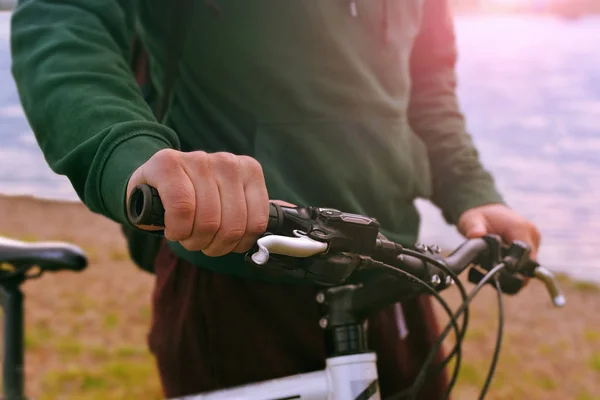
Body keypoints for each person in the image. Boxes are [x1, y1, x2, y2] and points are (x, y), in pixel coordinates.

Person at [10, 0, 541, 398]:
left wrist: (473, 192)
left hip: (395, 272)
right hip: (238, 278)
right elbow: (65, 21)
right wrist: (131, 155)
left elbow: (426, 87)